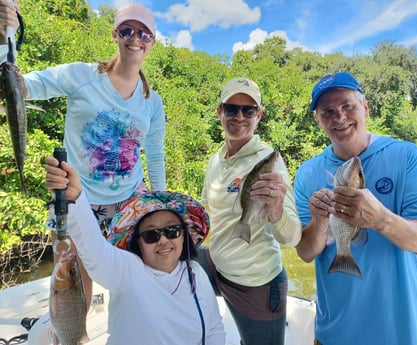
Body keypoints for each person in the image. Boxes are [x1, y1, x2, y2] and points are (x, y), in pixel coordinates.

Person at [0, 2, 166, 309]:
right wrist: (2, 41)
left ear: (152, 41)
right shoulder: (79, 75)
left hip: (129, 198)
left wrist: (162, 200)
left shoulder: (152, 102)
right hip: (77, 198)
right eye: (128, 30)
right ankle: (73, 338)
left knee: (133, 276)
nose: (135, 38)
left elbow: (154, 154)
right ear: (116, 34)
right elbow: (18, 88)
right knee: (74, 278)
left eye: (144, 33)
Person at [294, 72, 417, 345]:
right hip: (337, 332)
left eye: (348, 106)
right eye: (328, 111)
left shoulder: (407, 156)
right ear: (317, 120)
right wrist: (319, 221)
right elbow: (306, 252)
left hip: (412, 332)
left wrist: (380, 219)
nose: (339, 117)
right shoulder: (307, 173)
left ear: (365, 108)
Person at [44, 156, 225, 344]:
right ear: (137, 243)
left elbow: (214, 328)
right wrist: (76, 198)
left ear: (183, 236)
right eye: (151, 235)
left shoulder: (195, 272)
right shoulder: (128, 270)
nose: (163, 240)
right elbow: (94, 250)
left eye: (172, 231)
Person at [197, 77, 302, 345]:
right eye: (232, 108)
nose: (239, 116)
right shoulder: (216, 160)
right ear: (220, 111)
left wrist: (276, 209)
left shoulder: (268, 163)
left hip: (256, 284)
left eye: (249, 110)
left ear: (259, 116)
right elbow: (207, 211)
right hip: (217, 268)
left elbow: (292, 238)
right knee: (164, 257)